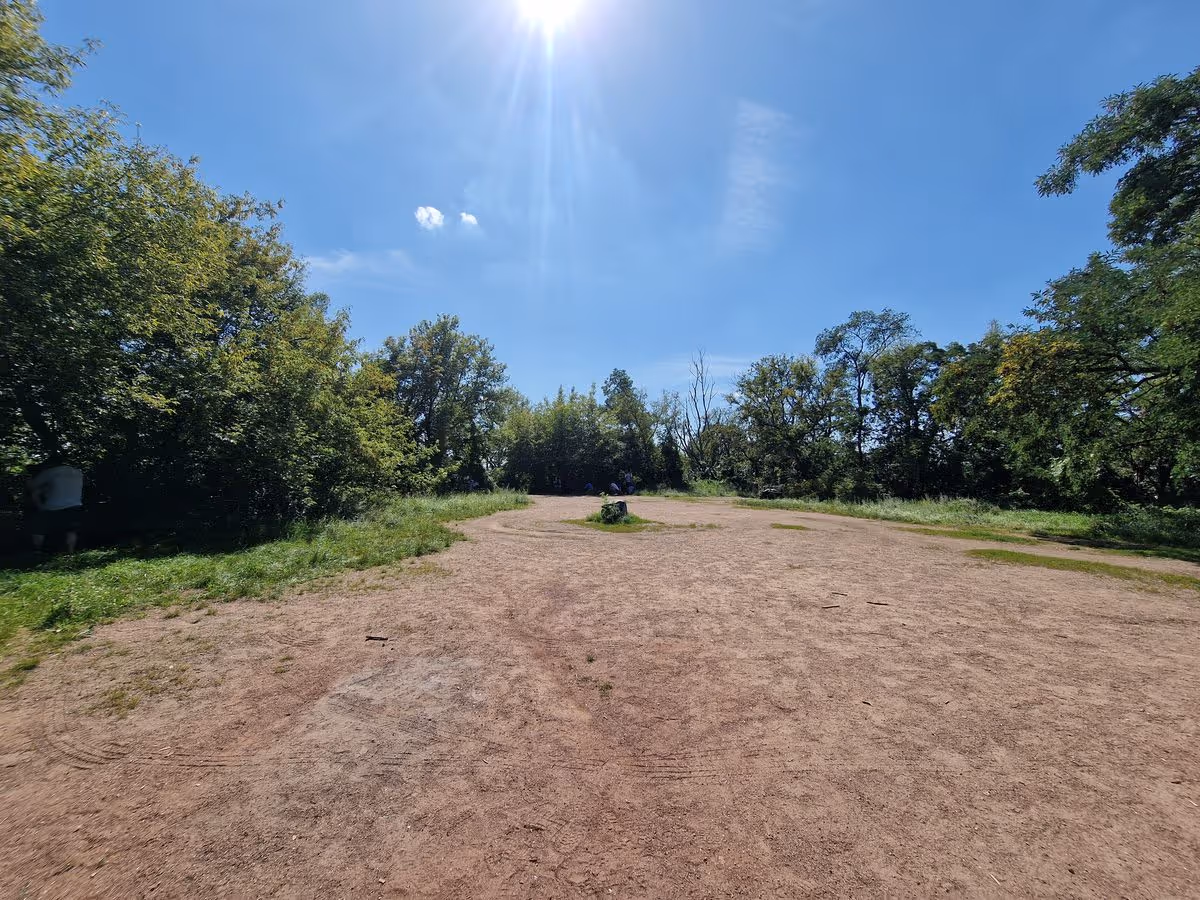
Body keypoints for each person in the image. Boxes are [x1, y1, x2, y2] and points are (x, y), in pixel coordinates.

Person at [27, 457, 84, 553]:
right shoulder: (78, 472)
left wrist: (29, 480)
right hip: (75, 505)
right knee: (70, 530)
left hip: (53, 507)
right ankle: (70, 552)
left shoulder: (50, 472)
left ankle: (38, 550)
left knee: (38, 527)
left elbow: (32, 486)